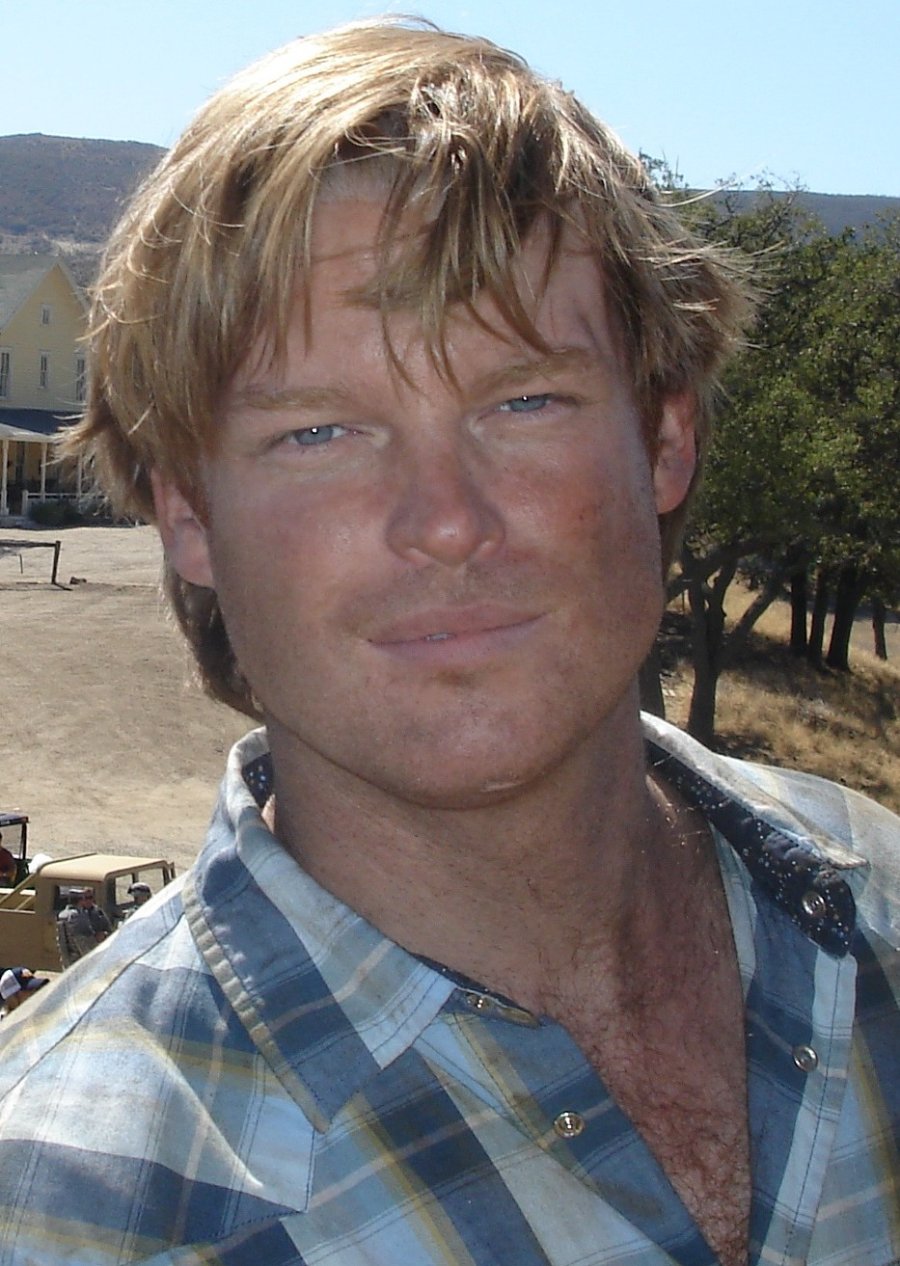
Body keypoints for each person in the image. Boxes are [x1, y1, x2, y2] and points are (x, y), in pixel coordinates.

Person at [0, 19, 896, 1266]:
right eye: (318, 432)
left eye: (523, 401)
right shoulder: (65, 1212)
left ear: (664, 439)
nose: (446, 522)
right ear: (189, 514)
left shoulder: (876, 911)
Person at [55, 886, 109, 966]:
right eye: (85, 898)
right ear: (81, 900)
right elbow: (82, 938)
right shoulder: (76, 915)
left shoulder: (62, 915)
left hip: (68, 959)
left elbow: (61, 942)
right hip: (80, 958)